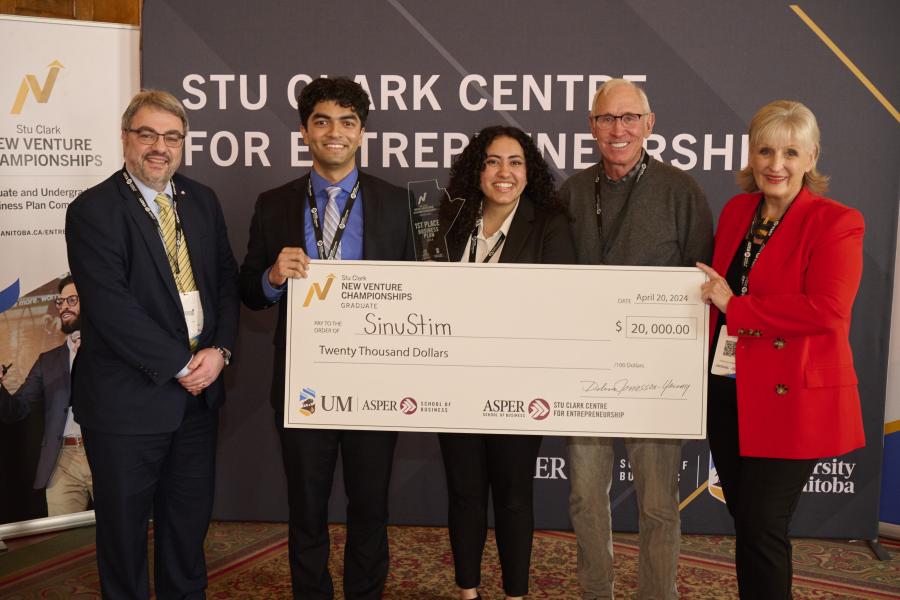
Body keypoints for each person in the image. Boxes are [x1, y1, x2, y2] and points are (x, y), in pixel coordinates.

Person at [238, 77, 414, 600]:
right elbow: (248, 290)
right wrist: (272, 276)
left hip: (374, 383)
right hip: (303, 384)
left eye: (347, 122)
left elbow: (423, 289)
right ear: (304, 131)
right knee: (306, 508)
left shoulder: (399, 203)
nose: (334, 132)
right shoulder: (273, 204)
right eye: (322, 121)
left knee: (370, 507)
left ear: (361, 133)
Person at [65, 90, 240, 599]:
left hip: (197, 402)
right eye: (148, 135)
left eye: (172, 137)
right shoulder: (93, 210)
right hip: (127, 402)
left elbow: (224, 282)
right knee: (123, 537)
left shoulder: (201, 200)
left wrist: (220, 352)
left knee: (186, 530)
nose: (160, 147)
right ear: (126, 139)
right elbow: (111, 308)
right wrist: (183, 364)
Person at [698, 100, 865, 599]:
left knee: (763, 525)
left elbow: (828, 310)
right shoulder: (737, 211)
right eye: (766, 151)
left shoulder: (837, 222)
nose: (776, 164)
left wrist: (737, 307)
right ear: (751, 155)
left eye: (791, 152)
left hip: (791, 397)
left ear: (812, 158)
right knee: (748, 521)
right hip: (729, 390)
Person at [561, 78, 713, 599]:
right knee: (585, 498)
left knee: (657, 504)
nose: (618, 129)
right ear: (591, 126)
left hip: (656, 378)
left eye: (629, 118)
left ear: (649, 124)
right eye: (606, 118)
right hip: (586, 373)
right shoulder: (572, 192)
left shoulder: (681, 191)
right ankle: (595, 592)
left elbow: (702, 283)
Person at [439, 125, 575, 600]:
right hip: (453, 380)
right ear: (477, 170)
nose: (504, 172)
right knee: (464, 493)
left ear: (528, 171)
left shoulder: (549, 223)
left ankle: (516, 594)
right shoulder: (447, 218)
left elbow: (558, 302)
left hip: (517, 383)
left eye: (515, 162)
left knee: (515, 497)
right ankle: (467, 591)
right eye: (492, 161)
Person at [0, 275, 93, 516]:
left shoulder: (109, 350)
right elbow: (17, 409)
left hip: (105, 453)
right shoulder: (47, 361)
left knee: (118, 528)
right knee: (62, 536)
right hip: (62, 461)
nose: (64, 307)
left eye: (72, 300)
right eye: (60, 302)